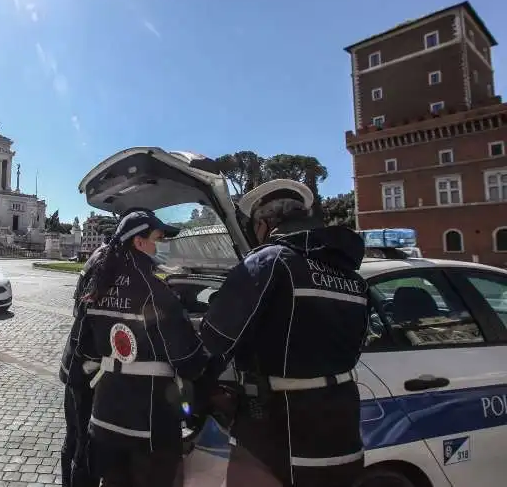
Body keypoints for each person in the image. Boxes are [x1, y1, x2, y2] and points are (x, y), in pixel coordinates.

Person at [199, 179, 370, 487]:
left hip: (278, 433)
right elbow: (353, 349)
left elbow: (214, 341)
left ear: (266, 222)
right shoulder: (353, 279)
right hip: (342, 432)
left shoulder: (271, 260)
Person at [75, 210, 214, 487]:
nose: (160, 246)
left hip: (104, 420)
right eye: (158, 238)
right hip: (149, 426)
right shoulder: (157, 291)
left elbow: (85, 352)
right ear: (139, 242)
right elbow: (189, 361)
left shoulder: (97, 287)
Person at [59, 207, 156, 487]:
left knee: (78, 437)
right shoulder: (109, 261)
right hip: (86, 369)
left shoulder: (104, 256)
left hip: (80, 365)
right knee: (84, 442)